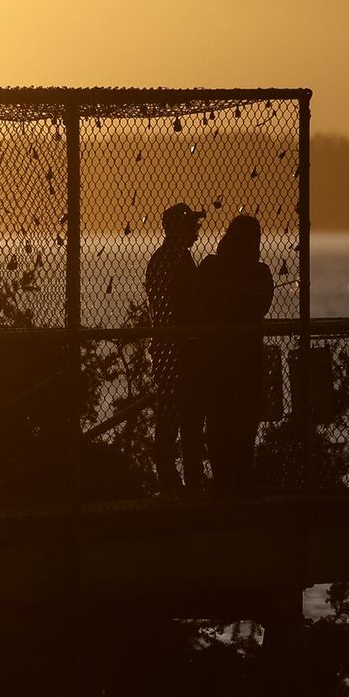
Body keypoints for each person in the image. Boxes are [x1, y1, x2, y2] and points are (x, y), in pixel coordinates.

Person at [193, 213, 275, 492]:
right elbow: (261, 307)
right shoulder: (260, 272)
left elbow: (199, 305)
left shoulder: (210, 267)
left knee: (218, 421)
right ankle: (242, 478)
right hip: (248, 356)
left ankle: (222, 480)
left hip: (213, 356)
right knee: (245, 419)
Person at [144, 203, 207, 491]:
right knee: (176, 414)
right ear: (178, 229)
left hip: (176, 346)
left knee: (183, 413)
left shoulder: (174, 257)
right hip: (175, 347)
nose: (197, 230)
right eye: (191, 225)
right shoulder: (171, 260)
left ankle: (187, 476)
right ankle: (173, 478)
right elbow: (179, 304)